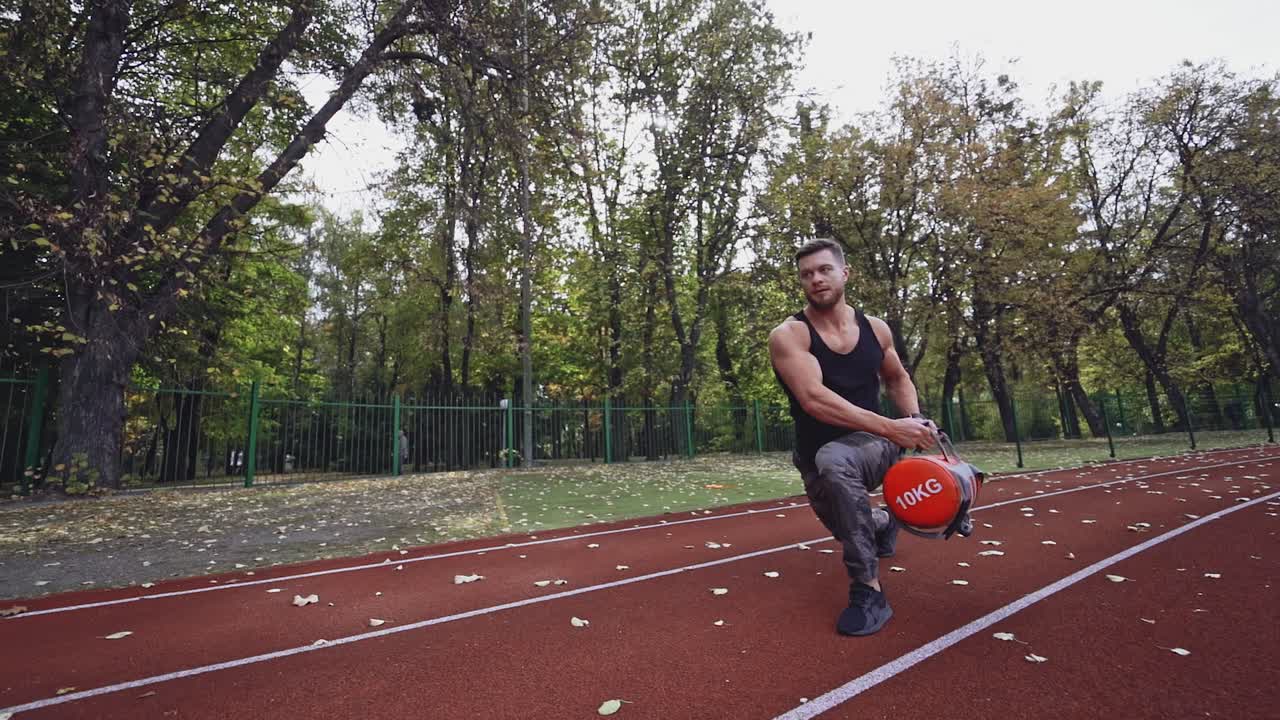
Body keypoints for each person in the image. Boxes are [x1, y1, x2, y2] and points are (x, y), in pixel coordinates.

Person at [768, 238, 937, 636]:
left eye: (824, 270)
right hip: (818, 452)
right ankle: (881, 524)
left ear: (845, 273)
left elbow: (897, 377)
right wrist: (893, 426)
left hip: (873, 447)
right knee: (848, 522)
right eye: (807, 274)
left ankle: (869, 590)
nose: (816, 279)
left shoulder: (875, 329)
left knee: (836, 460)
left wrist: (913, 421)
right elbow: (813, 399)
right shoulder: (790, 336)